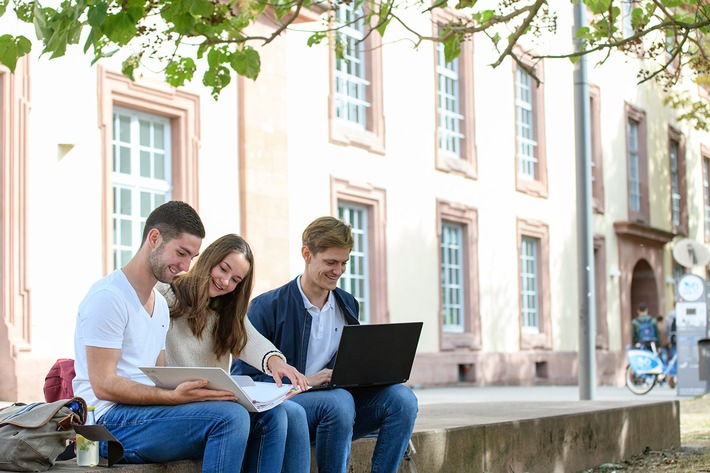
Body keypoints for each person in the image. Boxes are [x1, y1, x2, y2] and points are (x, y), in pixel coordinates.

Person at [73, 201, 260, 472]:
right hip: (105, 423)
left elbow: (158, 374)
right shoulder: (108, 297)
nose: (185, 266)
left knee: (266, 419)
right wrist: (175, 398)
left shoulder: (159, 305)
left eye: (191, 258)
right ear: (154, 238)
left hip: (144, 415)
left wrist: (198, 393)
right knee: (229, 419)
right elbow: (103, 385)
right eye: (181, 253)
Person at [232, 216, 419, 473]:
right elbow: (244, 381)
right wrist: (307, 380)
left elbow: (351, 367)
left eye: (344, 263)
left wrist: (376, 375)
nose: (338, 271)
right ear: (307, 254)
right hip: (290, 408)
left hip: (340, 410)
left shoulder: (347, 303)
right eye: (331, 262)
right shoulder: (267, 307)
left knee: (403, 399)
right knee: (338, 401)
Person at [158, 233, 311, 473]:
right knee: (275, 416)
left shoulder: (225, 312)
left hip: (215, 401)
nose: (225, 281)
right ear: (209, 259)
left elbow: (250, 340)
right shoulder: (167, 294)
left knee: (287, 414)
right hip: (180, 403)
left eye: (235, 279)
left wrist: (275, 362)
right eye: (223, 269)